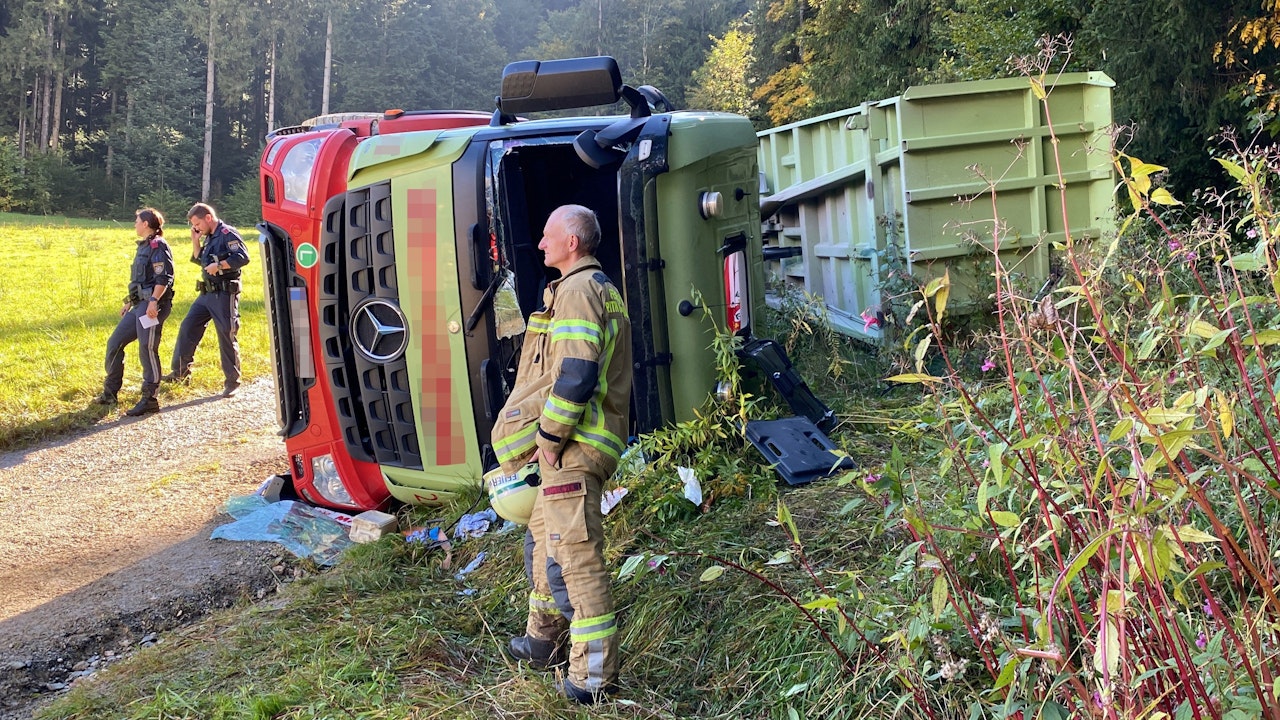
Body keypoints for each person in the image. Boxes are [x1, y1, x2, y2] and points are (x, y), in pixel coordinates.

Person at [491, 204, 633, 705]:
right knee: (543, 549)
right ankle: (542, 642)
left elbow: (576, 373)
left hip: (574, 447)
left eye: (549, 236)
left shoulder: (578, 290)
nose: (541, 244)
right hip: (571, 445)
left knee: (574, 559)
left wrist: (547, 441)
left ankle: (592, 680)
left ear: (572, 241)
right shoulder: (585, 289)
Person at [93, 208, 175, 417]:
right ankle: (110, 393)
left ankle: (150, 398)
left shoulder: (158, 245)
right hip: (140, 305)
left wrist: (154, 302)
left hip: (152, 308)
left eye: (137, 220)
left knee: (147, 349)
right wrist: (129, 301)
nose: (134, 224)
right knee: (115, 343)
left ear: (146, 223)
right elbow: (141, 280)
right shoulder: (144, 246)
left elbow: (163, 278)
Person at [162, 203, 250, 397]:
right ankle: (180, 373)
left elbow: (243, 257)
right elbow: (200, 260)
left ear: (208, 218)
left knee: (226, 335)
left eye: (198, 223)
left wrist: (220, 265)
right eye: (194, 225)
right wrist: (195, 240)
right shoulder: (209, 236)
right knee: (188, 327)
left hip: (224, 294)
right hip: (206, 294)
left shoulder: (227, 233)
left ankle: (232, 382)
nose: (197, 227)